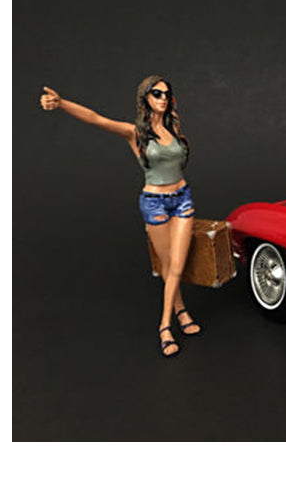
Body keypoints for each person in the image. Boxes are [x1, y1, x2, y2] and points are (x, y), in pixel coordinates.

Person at [40, 75, 201, 357]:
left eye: (166, 93)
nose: (163, 98)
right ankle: (169, 323)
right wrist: (62, 103)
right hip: (155, 203)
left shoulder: (173, 126)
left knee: (177, 266)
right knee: (168, 267)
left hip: (182, 198)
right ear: (145, 97)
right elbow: (96, 119)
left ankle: (173, 317)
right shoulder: (134, 133)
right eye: (156, 93)